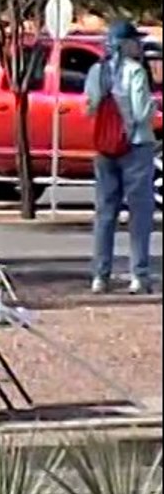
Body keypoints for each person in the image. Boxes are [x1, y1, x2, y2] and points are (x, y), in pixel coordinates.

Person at [85, 19, 156, 294]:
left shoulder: (96, 71)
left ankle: (100, 276)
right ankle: (139, 274)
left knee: (105, 213)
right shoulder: (135, 71)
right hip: (136, 146)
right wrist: (152, 106)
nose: (139, 45)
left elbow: (90, 107)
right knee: (139, 213)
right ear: (126, 44)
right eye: (135, 41)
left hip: (104, 147)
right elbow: (140, 114)